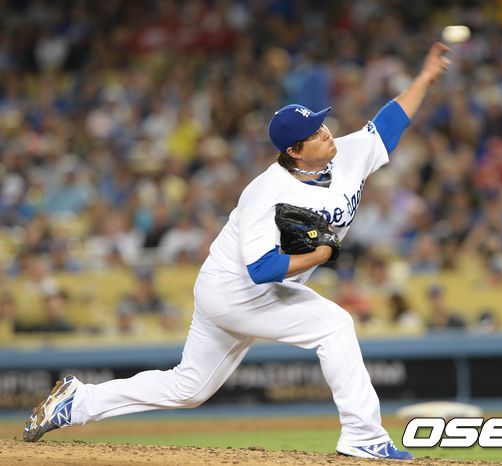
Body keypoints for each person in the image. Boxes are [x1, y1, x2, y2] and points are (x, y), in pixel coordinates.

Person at [23, 43, 450, 460]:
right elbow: (262, 268)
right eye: (314, 134)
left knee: (189, 388)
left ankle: (77, 402)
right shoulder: (268, 192)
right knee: (335, 325)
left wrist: (425, 78)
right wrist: (320, 256)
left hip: (241, 288)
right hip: (237, 289)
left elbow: (389, 123)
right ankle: (363, 436)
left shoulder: (344, 155)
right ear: (294, 151)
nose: (326, 133)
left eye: (322, 125)